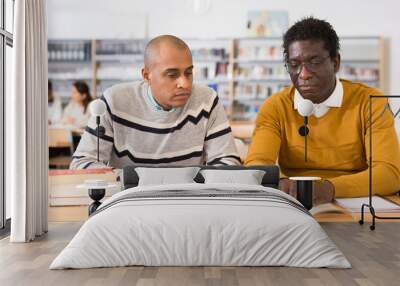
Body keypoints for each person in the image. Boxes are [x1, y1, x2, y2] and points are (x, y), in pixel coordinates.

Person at [245, 17, 400, 203]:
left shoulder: (371, 103)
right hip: (295, 201)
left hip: (355, 201)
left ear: (336, 63)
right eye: (294, 64)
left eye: (315, 62)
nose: (303, 74)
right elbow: (256, 166)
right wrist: (280, 183)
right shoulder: (275, 106)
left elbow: (389, 174)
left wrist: (329, 188)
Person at [70, 35, 240, 169]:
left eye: (188, 73)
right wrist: (128, 181)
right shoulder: (114, 101)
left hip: (187, 202)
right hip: (128, 203)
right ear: (146, 76)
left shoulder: (207, 100)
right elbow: (82, 164)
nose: (185, 83)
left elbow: (228, 163)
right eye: (172, 75)